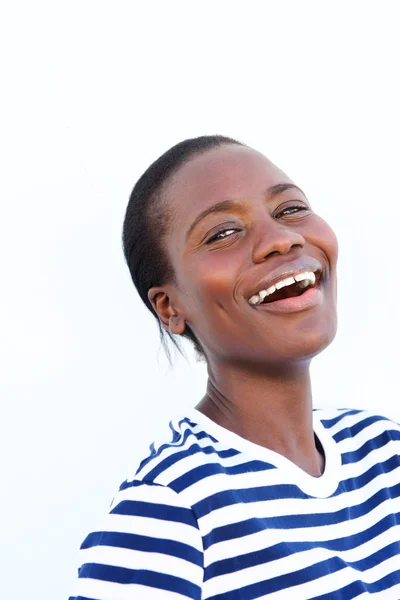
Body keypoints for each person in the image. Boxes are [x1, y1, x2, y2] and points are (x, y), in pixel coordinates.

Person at [69, 136, 400, 599]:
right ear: (169, 307)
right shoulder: (172, 507)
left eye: (289, 210)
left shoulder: (384, 454)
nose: (283, 239)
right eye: (223, 233)